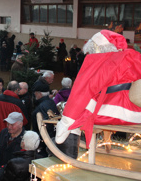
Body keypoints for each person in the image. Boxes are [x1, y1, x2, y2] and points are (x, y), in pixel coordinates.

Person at [56, 30, 141, 159]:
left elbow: (83, 91)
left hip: (120, 111)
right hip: (135, 110)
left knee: (78, 117)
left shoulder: (101, 61)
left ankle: (68, 151)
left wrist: (67, 120)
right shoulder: (131, 56)